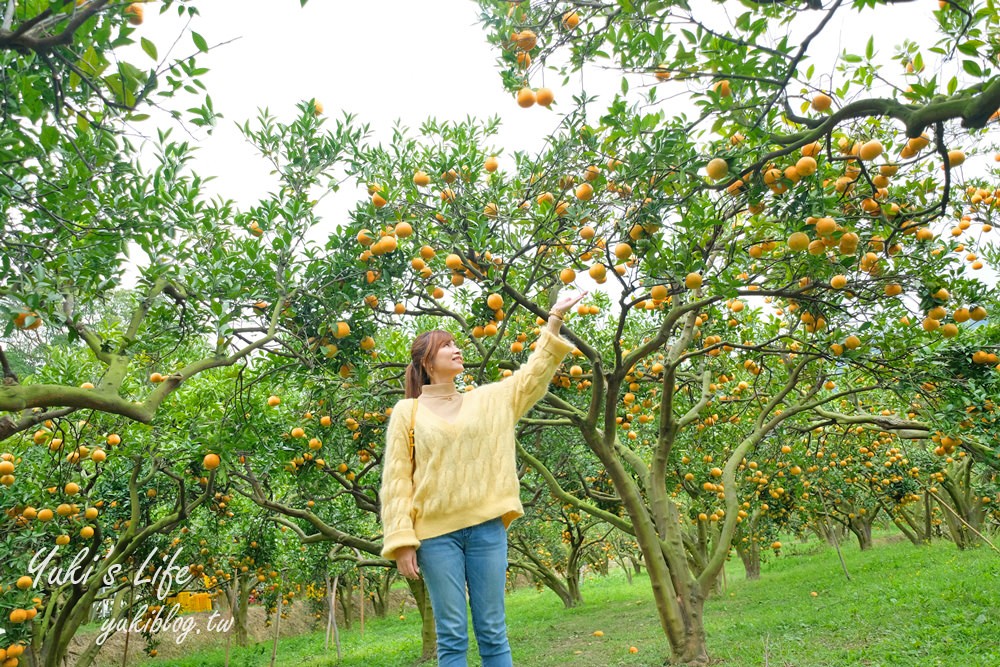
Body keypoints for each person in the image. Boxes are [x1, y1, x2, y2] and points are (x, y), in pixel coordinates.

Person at [379, 292, 585, 667]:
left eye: (457, 344)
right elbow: (397, 481)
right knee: (452, 634)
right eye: (447, 346)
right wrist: (400, 540)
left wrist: (554, 316)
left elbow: (533, 375)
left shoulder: (488, 400)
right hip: (435, 536)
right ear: (427, 361)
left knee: (492, 630)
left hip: (488, 529)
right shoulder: (407, 412)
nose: (457, 350)